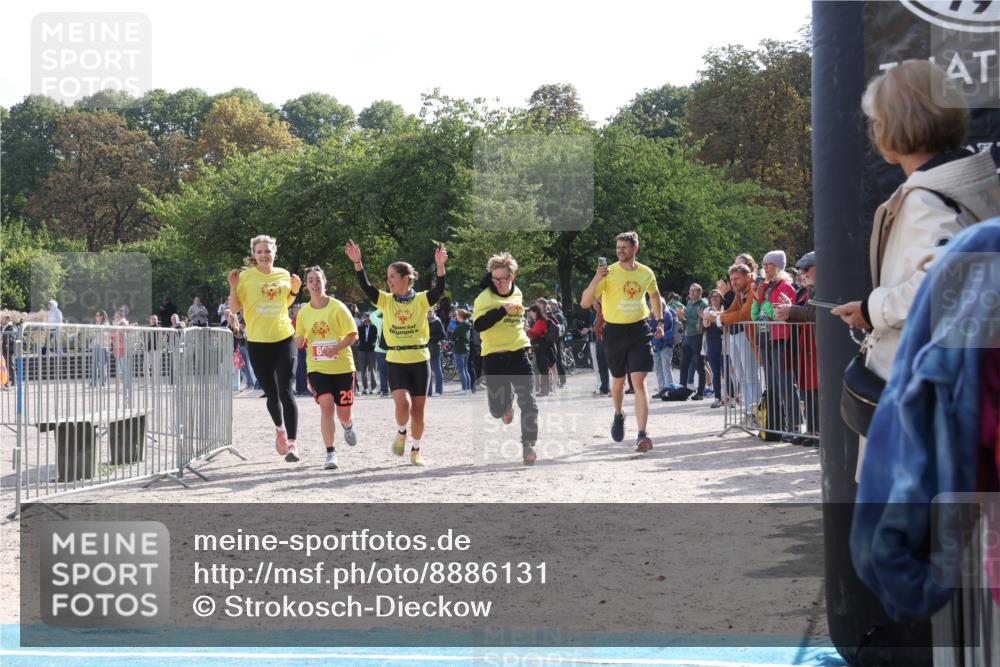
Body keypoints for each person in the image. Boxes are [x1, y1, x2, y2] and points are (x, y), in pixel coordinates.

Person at [828, 61, 1000, 473]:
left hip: (921, 404)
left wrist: (875, 309)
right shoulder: (978, 188)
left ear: (892, 129)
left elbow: (945, 287)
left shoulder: (927, 199)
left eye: (877, 122)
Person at [345, 239, 447, 466]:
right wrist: (357, 262)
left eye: (392, 276)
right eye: (388, 277)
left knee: (418, 413)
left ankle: (416, 450)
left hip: (420, 359)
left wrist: (440, 266)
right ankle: (401, 433)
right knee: (403, 404)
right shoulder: (386, 301)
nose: (388, 281)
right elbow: (367, 288)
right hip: (396, 359)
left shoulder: (421, 300)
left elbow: (438, 290)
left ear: (405, 278)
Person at [580, 231, 665, 452]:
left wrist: (660, 320)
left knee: (639, 380)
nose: (620, 251)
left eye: (624, 247)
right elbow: (585, 302)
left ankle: (642, 434)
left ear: (635, 248)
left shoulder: (646, 273)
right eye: (617, 248)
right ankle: (618, 414)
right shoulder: (609, 273)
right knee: (618, 383)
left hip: (639, 330)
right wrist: (597, 278)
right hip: (614, 332)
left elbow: (654, 295)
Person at [227, 234, 303, 463]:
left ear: (274, 252)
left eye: (267, 251)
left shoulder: (283, 274)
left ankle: (292, 444)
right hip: (258, 342)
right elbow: (235, 308)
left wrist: (294, 291)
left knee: (286, 390)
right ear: (254, 255)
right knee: (271, 394)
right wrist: (233, 287)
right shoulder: (246, 277)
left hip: (283, 337)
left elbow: (284, 302)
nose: (264, 255)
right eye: (259, 252)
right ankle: (279, 429)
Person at [473, 252, 539, 464]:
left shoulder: (518, 293)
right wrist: (501, 310)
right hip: (493, 357)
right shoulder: (484, 298)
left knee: (529, 401)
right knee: (496, 410)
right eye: (495, 279)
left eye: (504, 278)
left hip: (519, 353)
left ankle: (528, 445)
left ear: (513, 277)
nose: (499, 283)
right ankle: (505, 406)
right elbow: (478, 325)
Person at [294, 266, 360, 470]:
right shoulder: (304, 312)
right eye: (311, 280)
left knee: (344, 413)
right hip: (317, 367)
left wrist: (336, 348)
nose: (314, 283)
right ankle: (331, 453)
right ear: (306, 285)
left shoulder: (338, 307)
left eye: (318, 279)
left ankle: (348, 425)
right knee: (326, 406)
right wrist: (297, 337)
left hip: (342, 366)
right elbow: (299, 340)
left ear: (324, 282)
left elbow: (353, 334)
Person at [752, 250, 801, 439]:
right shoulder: (768, 286)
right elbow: (756, 315)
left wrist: (762, 300)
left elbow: (776, 312)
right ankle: (777, 423)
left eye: (769, 264)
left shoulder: (785, 286)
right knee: (772, 385)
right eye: (764, 264)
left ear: (778, 266)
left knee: (785, 383)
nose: (765, 267)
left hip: (780, 338)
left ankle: (794, 424)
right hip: (766, 338)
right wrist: (759, 298)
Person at [777, 250, 819, 445]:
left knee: (817, 390)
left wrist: (791, 310)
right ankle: (811, 430)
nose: (803, 274)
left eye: (806, 270)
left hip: (816, 345)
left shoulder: (823, 287)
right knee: (807, 390)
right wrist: (789, 312)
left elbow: (816, 313)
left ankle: (818, 432)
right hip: (806, 344)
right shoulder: (809, 289)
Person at [715, 262, 761, 421]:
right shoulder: (739, 292)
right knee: (742, 377)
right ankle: (749, 411)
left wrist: (720, 318)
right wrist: (719, 317)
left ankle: (757, 412)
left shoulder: (753, 288)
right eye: (732, 279)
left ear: (748, 277)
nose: (734, 282)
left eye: (737, 279)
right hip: (740, 334)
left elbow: (745, 314)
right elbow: (732, 310)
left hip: (750, 336)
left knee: (751, 377)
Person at [676, 284, 708, 401]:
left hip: (697, 337)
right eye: (690, 291)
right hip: (688, 337)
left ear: (700, 292)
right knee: (683, 365)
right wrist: (681, 318)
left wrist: (685, 318)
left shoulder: (703, 305)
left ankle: (700, 392)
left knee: (699, 365)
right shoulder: (688, 304)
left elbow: (699, 324)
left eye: (694, 291)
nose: (692, 293)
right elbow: (686, 321)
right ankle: (682, 390)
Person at [701, 290, 726, 408]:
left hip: (725, 342)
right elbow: (704, 326)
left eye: (717, 296)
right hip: (712, 342)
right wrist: (707, 321)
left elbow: (724, 325)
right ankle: (717, 398)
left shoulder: (725, 309)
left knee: (726, 371)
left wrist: (714, 319)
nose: (714, 299)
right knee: (715, 372)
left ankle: (730, 396)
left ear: (721, 298)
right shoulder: (707, 311)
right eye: (712, 297)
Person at [526, 304, 556, 396]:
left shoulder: (540, 321)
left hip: (542, 347)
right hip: (542, 347)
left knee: (543, 369)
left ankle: (545, 390)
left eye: (532, 312)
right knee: (543, 369)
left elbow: (534, 334)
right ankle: (545, 389)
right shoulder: (540, 321)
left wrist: (527, 330)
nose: (531, 314)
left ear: (536, 312)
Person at [650, 298, 675, 394]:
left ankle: (669, 390)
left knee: (666, 368)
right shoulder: (654, 315)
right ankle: (661, 389)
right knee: (659, 369)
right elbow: (651, 329)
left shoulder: (667, 315)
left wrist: (654, 321)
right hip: (656, 346)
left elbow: (661, 330)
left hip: (665, 345)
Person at [356, 313, 378, 395]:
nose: (363, 319)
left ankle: (374, 388)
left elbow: (376, 337)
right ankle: (365, 388)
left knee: (373, 369)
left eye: (365, 317)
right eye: (362, 317)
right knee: (363, 370)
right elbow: (357, 338)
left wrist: (374, 342)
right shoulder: (360, 328)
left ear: (368, 318)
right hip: (362, 350)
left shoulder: (374, 327)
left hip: (372, 351)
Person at [451, 309, 472, 395]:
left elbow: (453, 337)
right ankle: (468, 388)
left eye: (457, 315)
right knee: (466, 369)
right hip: (466, 349)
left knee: (462, 370)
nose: (456, 317)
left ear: (460, 316)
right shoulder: (467, 325)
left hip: (459, 349)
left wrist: (456, 337)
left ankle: (464, 389)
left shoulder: (460, 326)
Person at [369, 309, 390, 397]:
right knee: (394, 372)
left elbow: (371, 316)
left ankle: (384, 391)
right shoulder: (394, 323)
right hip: (392, 350)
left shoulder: (380, 322)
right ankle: (395, 390)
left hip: (380, 350)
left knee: (382, 371)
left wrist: (382, 308)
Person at [427, 309, 447, 396]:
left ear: (433, 312)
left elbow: (443, 335)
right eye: (427, 312)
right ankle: (429, 391)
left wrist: (431, 338)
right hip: (426, 348)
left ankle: (439, 390)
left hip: (435, 347)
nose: (428, 313)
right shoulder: (425, 321)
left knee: (437, 369)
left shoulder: (437, 321)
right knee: (428, 371)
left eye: (430, 311)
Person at [90, 310, 111, 388]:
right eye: (96, 315)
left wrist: (98, 331)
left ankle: (103, 383)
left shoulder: (106, 324)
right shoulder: (96, 324)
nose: (96, 317)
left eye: (98, 315)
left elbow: (106, 335)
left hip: (103, 346)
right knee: (94, 365)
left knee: (102, 365)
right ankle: (94, 382)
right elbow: (93, 334)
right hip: (96, 345)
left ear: (102, 316)